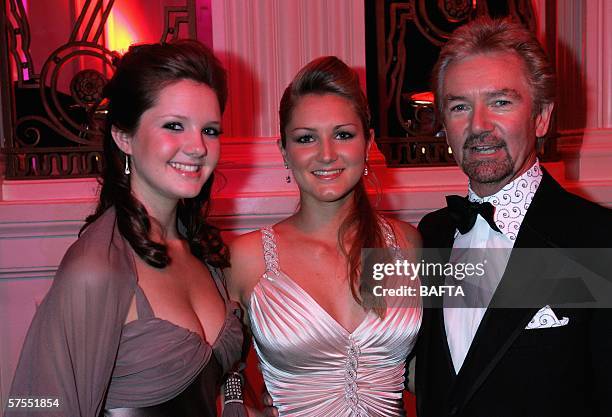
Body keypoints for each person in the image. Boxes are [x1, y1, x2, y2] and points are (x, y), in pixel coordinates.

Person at [5, 40, 247, 417]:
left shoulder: (202, 249)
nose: (197, 146)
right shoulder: (96, 268)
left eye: (210, 130)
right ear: (124, 137)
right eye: (174, 125)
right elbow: (35, 403)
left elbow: (219, 377)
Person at [415, 17, 612, 417]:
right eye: (459, 106)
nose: (478, 126)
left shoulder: (598, 239)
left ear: (541, 118)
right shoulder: (429, 233)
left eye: (500, 102)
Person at [226, 56, 422, 416]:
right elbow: (217, 363)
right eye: (306, 138)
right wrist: (241, 404)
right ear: (284, 151)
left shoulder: (409, 244)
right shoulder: (246, 257)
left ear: (367, 143)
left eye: (343, 135)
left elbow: (428, 363)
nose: (327, 154)